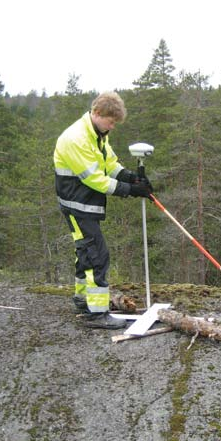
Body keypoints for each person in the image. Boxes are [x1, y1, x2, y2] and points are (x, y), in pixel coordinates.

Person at [54, 92, 153, 330]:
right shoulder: (76, 138)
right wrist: (128, 190)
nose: (112, 126)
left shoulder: (98, 133)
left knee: (85, 251)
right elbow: (95, 179)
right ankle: (96, 314)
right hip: (77, 205)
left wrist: (130, 177)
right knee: (96, 253)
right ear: (97, 113)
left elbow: (108, 162)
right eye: (110, 121)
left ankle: (82, 299)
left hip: (85, 203)